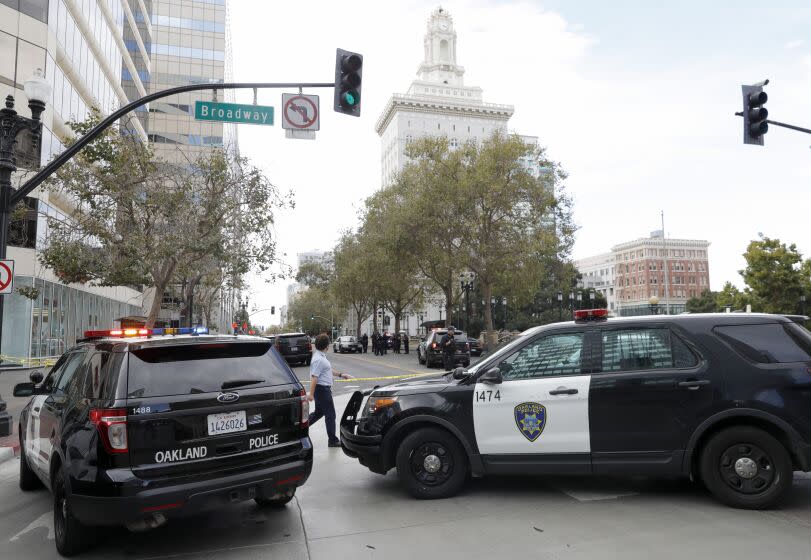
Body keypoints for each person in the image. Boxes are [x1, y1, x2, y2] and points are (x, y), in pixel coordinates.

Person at [308, 334, 352, 447]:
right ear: (327, 346)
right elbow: (314, 377)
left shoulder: (320, 356)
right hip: (322, 390)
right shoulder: (319, 359)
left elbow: (327, 369)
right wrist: (311, 394)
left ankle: (299, 428)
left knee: (319, 413)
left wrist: (341, 374)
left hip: (321, 390)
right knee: (330, 415)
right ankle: (332, 440)